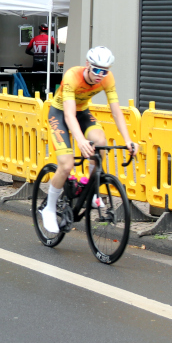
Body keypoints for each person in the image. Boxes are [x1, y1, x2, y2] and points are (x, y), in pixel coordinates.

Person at [40, 46, 139, 233]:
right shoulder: (72, 76)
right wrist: (80, 140)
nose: (101, 74)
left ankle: (92, 189)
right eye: (96, 70)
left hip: (83, 112)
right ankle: (49, 208)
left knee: (101, 142)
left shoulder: (107, 79)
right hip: (60, 114)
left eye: (105, 70)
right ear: (87, 65)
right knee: (66, 164)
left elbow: (116, 111)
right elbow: (68, 116)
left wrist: (128, 140)